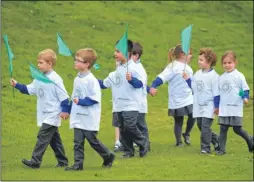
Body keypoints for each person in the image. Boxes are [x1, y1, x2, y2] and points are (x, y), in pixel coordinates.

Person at [10, 49, 69, 168]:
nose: (38, 65)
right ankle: (63, 162)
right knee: (54, 140)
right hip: (44, 114)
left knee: (42, 136)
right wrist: (17, 85)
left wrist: (65, 110)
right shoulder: (38, 78)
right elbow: (30, 89)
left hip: (53, 113)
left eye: (41, 63)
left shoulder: (56, 79)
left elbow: (64, 97)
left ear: (50, 63)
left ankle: (35, 161)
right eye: (38, 62)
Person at [65, 48, 115, 171]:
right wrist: (68, 110)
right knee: (77, 142)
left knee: (92, 141)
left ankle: (108, 155)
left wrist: (81, 101)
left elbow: (94, 98)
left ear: (87, 64)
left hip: (89, 117)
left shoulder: (92, 81)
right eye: (75, 60)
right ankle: (78, 164)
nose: (75, 62)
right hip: (78, 117)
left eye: (78, 60)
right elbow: (74, 96)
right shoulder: (77, 79)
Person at [99, 39, 149, 158]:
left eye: (118, 51)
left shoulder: (136, 68)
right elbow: (104, 84)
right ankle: (128, 151)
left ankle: (143, 143)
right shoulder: (118, 70)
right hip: (118, 105)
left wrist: (132, 80)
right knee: (122, 129)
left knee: (130, 126)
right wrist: (90, 80)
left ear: (128, 53)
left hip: (131, 104)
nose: (115, 54)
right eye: (115, 51)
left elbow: (141, 84)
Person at [149, 44, 195, 147]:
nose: (191, 56)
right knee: (179, 120)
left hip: (189, 98)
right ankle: (179, 142)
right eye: (190, 54)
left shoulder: (188, 68)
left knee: (193, 115)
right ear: (183, 54)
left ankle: (187, 133)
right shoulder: (172, 67)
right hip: (177, 99)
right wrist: (153, 86)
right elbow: (162, 77)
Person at [183, 48, 220, 154]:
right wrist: (187, 79)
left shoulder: (214, 76)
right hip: (198, 105)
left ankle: (205, 148)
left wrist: (217, 107)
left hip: (209, 106)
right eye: (198, 59)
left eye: (201, 60)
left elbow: (217, 93)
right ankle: (216, 139)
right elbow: (193, 87)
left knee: (205, 126)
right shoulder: (197, 74)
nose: (198, 62)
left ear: (209, 61)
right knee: (200, 125)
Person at [216, 50, 253, 155]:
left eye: (229, 63)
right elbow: (218, 93)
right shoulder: (221, 77)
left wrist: (245, 97)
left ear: (235, 63)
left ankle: (250, 141)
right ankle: (221, 150)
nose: (227, 65)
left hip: (235, 107)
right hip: (224, 108)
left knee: (237, 129)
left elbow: (244, 89)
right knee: (223, 128)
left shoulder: (239, 76)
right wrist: (217, 106)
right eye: (225, 63)